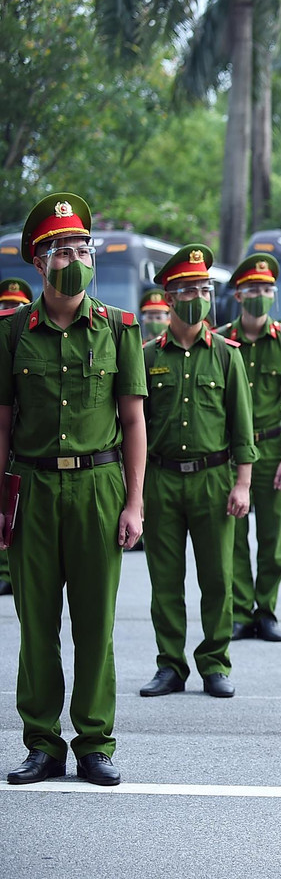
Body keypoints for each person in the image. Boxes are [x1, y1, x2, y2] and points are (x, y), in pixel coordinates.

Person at [2, 193, 146, 787]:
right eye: (63, 248)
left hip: (98, 486)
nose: (76, 257)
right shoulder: (12, 333)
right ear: (39, 261)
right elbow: (3, 424)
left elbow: (134, 420)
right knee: (36, 623)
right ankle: (42, 742)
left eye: (83, 247)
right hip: (32, 487)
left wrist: (134, 502)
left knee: (95, 623)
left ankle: (93, 742)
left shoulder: (119, 328)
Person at [138, 245, 256, 700]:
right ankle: (170, 665)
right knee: (165, 579)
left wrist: (242, 483)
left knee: (217, 578)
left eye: (204, 288)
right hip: (161, 479)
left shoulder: (227, 355)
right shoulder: (146, 356)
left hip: (214, 479)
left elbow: (241, 426)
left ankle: (214, 663)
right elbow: (135, 426)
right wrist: (136, 491)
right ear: (168, 297)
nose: (198, 296)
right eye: (188, 289)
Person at [219, 253, 281, 642]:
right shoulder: (222, 341)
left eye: (266, 289)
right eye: (252, 289)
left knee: (271, 536)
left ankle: (266, 610)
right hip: (231, 453)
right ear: (239, 296)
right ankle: (241, 611)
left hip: (273, 448)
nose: (260, 295)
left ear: (274, 295)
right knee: (235, 535)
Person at [0, 278, 34, 597]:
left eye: (15, 307)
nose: (8, 311)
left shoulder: (23, 340)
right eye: (3, 306)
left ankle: (6, 570)